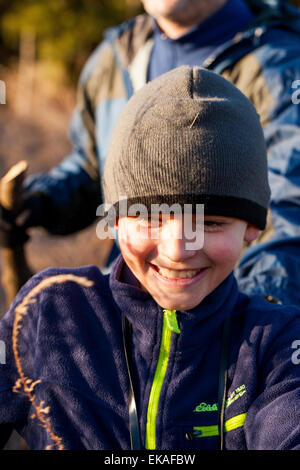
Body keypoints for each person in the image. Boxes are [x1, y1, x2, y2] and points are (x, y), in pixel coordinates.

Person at [0, 66, 299, 450]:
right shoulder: (51, 311)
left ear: (253, 228)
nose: (177, 250)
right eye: (151, 219)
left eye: (210, 222)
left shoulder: (276, 345)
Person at [1, 0, 300, 306]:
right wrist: (40, 203)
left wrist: (262, 313)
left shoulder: (283, 68)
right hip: (126, 315)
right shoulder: (116, 57)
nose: (177, 249)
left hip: (227, 320)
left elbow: (288, 207)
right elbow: (95, 167)